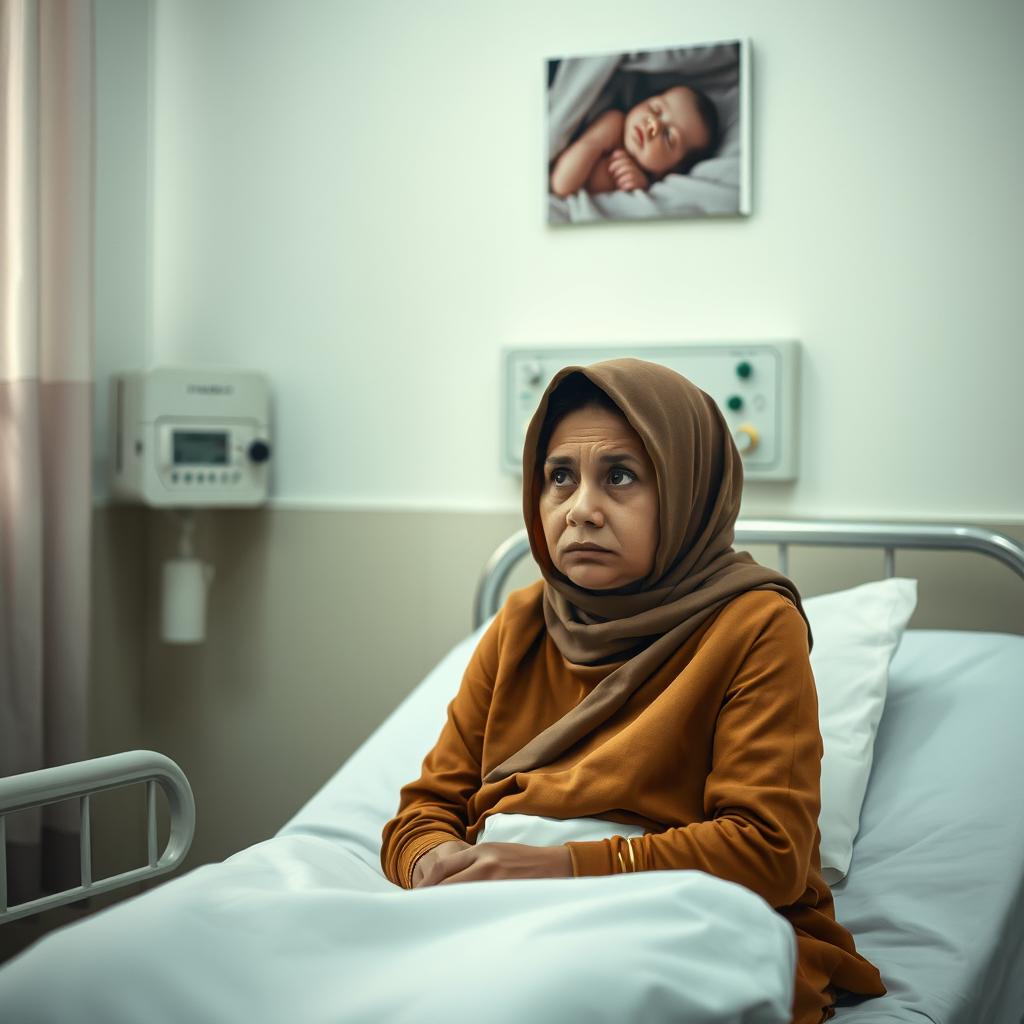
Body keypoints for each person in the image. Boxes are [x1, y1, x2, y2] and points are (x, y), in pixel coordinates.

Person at [380, 358, 887, 1024]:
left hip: (671, 914)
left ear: (686, 492)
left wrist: (559, 868)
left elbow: (769, 852)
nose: (580, 510)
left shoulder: (756, 624)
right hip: (492, 904)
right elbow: (424, 809)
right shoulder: (524, 621)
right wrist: (434, 864)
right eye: (559, 477)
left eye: (619, 476)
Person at [549, 82, 721, 198]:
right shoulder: (614, 124)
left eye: (668, 136)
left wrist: (639, 186)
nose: (652, 125)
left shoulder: (653, 187)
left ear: (672, 169)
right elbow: (561, 184)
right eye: (656, 109)